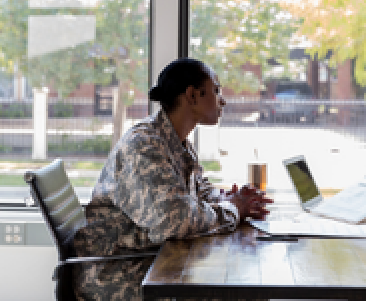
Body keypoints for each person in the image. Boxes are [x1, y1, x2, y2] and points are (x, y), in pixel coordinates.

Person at [72, 58, 273, 300]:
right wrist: (232, 209)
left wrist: (228, 198)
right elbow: (176, 222)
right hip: (119, 273)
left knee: (242, 283)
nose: (223, 100)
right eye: (216, 90)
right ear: (192, 95)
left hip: (151, 256)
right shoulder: (145, 146)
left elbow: (199, 191)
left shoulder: (175, 140)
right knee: (238, 289)